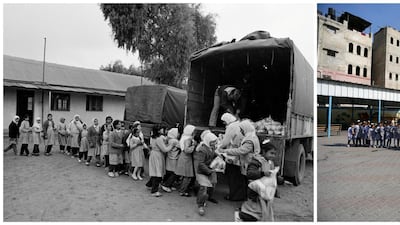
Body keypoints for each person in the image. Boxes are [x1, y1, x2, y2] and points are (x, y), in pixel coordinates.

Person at [219, 120, 261, 200]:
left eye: (242, 130)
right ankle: (244, 197)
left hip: (249, 163)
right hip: (248, 161)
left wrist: (225, 151)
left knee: (247, 182)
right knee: (245, 181)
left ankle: (246, 200)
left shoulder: (250, 139)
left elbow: (241, 150)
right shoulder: (251, 136)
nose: (241, 131)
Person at [238, 141, 277, 221]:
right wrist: (263, 173)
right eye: (271, 153)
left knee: (263, 211)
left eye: (274, 154)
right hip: (254, 191)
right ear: (264, 152)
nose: (273, 156)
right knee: (253, 211)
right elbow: (250, 173)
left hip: (265, 191)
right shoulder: (256, 161)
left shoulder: (270, 163)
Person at [219, 113, 245, 201]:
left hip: (233, 155)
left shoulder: (231, 127)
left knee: (232, 176)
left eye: (224, 122)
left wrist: (219, 147)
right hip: (240, 153)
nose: (224, 123)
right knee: (239, 176)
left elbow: (226, 142)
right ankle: (240, 195)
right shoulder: (238, 124)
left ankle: (233, 196)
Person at [194, 132, 220, 216]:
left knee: (213, 184)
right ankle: (200, 205)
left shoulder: (210, 147)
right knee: (203, 188)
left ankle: (207, 198)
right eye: (213, 141)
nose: (215, 143)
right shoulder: (202, 150)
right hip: (203, 171)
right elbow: (200, 164)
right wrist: (209, 171)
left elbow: (213, 154)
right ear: (209, 141)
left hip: (210, 169)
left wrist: (220, 156)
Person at [145, 125, 175, 197]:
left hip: (155, 154)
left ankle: (149, 184)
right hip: (157, 155)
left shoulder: (154, 137)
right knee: (157, 173)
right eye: (161, 129)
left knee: (155, 170)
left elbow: (164, 139)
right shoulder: (158, 139)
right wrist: (171, 145)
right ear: (158, 130)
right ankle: (154, 191)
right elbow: (164, 149)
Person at [176, 125, 197, 197]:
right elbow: (187, 150)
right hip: (186, 158)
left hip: (183, 157)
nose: (195, 132)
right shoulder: (188, 139)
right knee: (187, 176)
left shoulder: (184, 137)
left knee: (185, 175)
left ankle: (182, 189)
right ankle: (182, 191)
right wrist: (193, 146)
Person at [161, 128, 180, 192]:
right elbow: (181, 147)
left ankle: (165, 183)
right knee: (175, 173)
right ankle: (166, 185)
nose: (178, 134)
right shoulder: (175, 141)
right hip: (174, 158)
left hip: (169, 157)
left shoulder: (169, 139)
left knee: (168, 171)